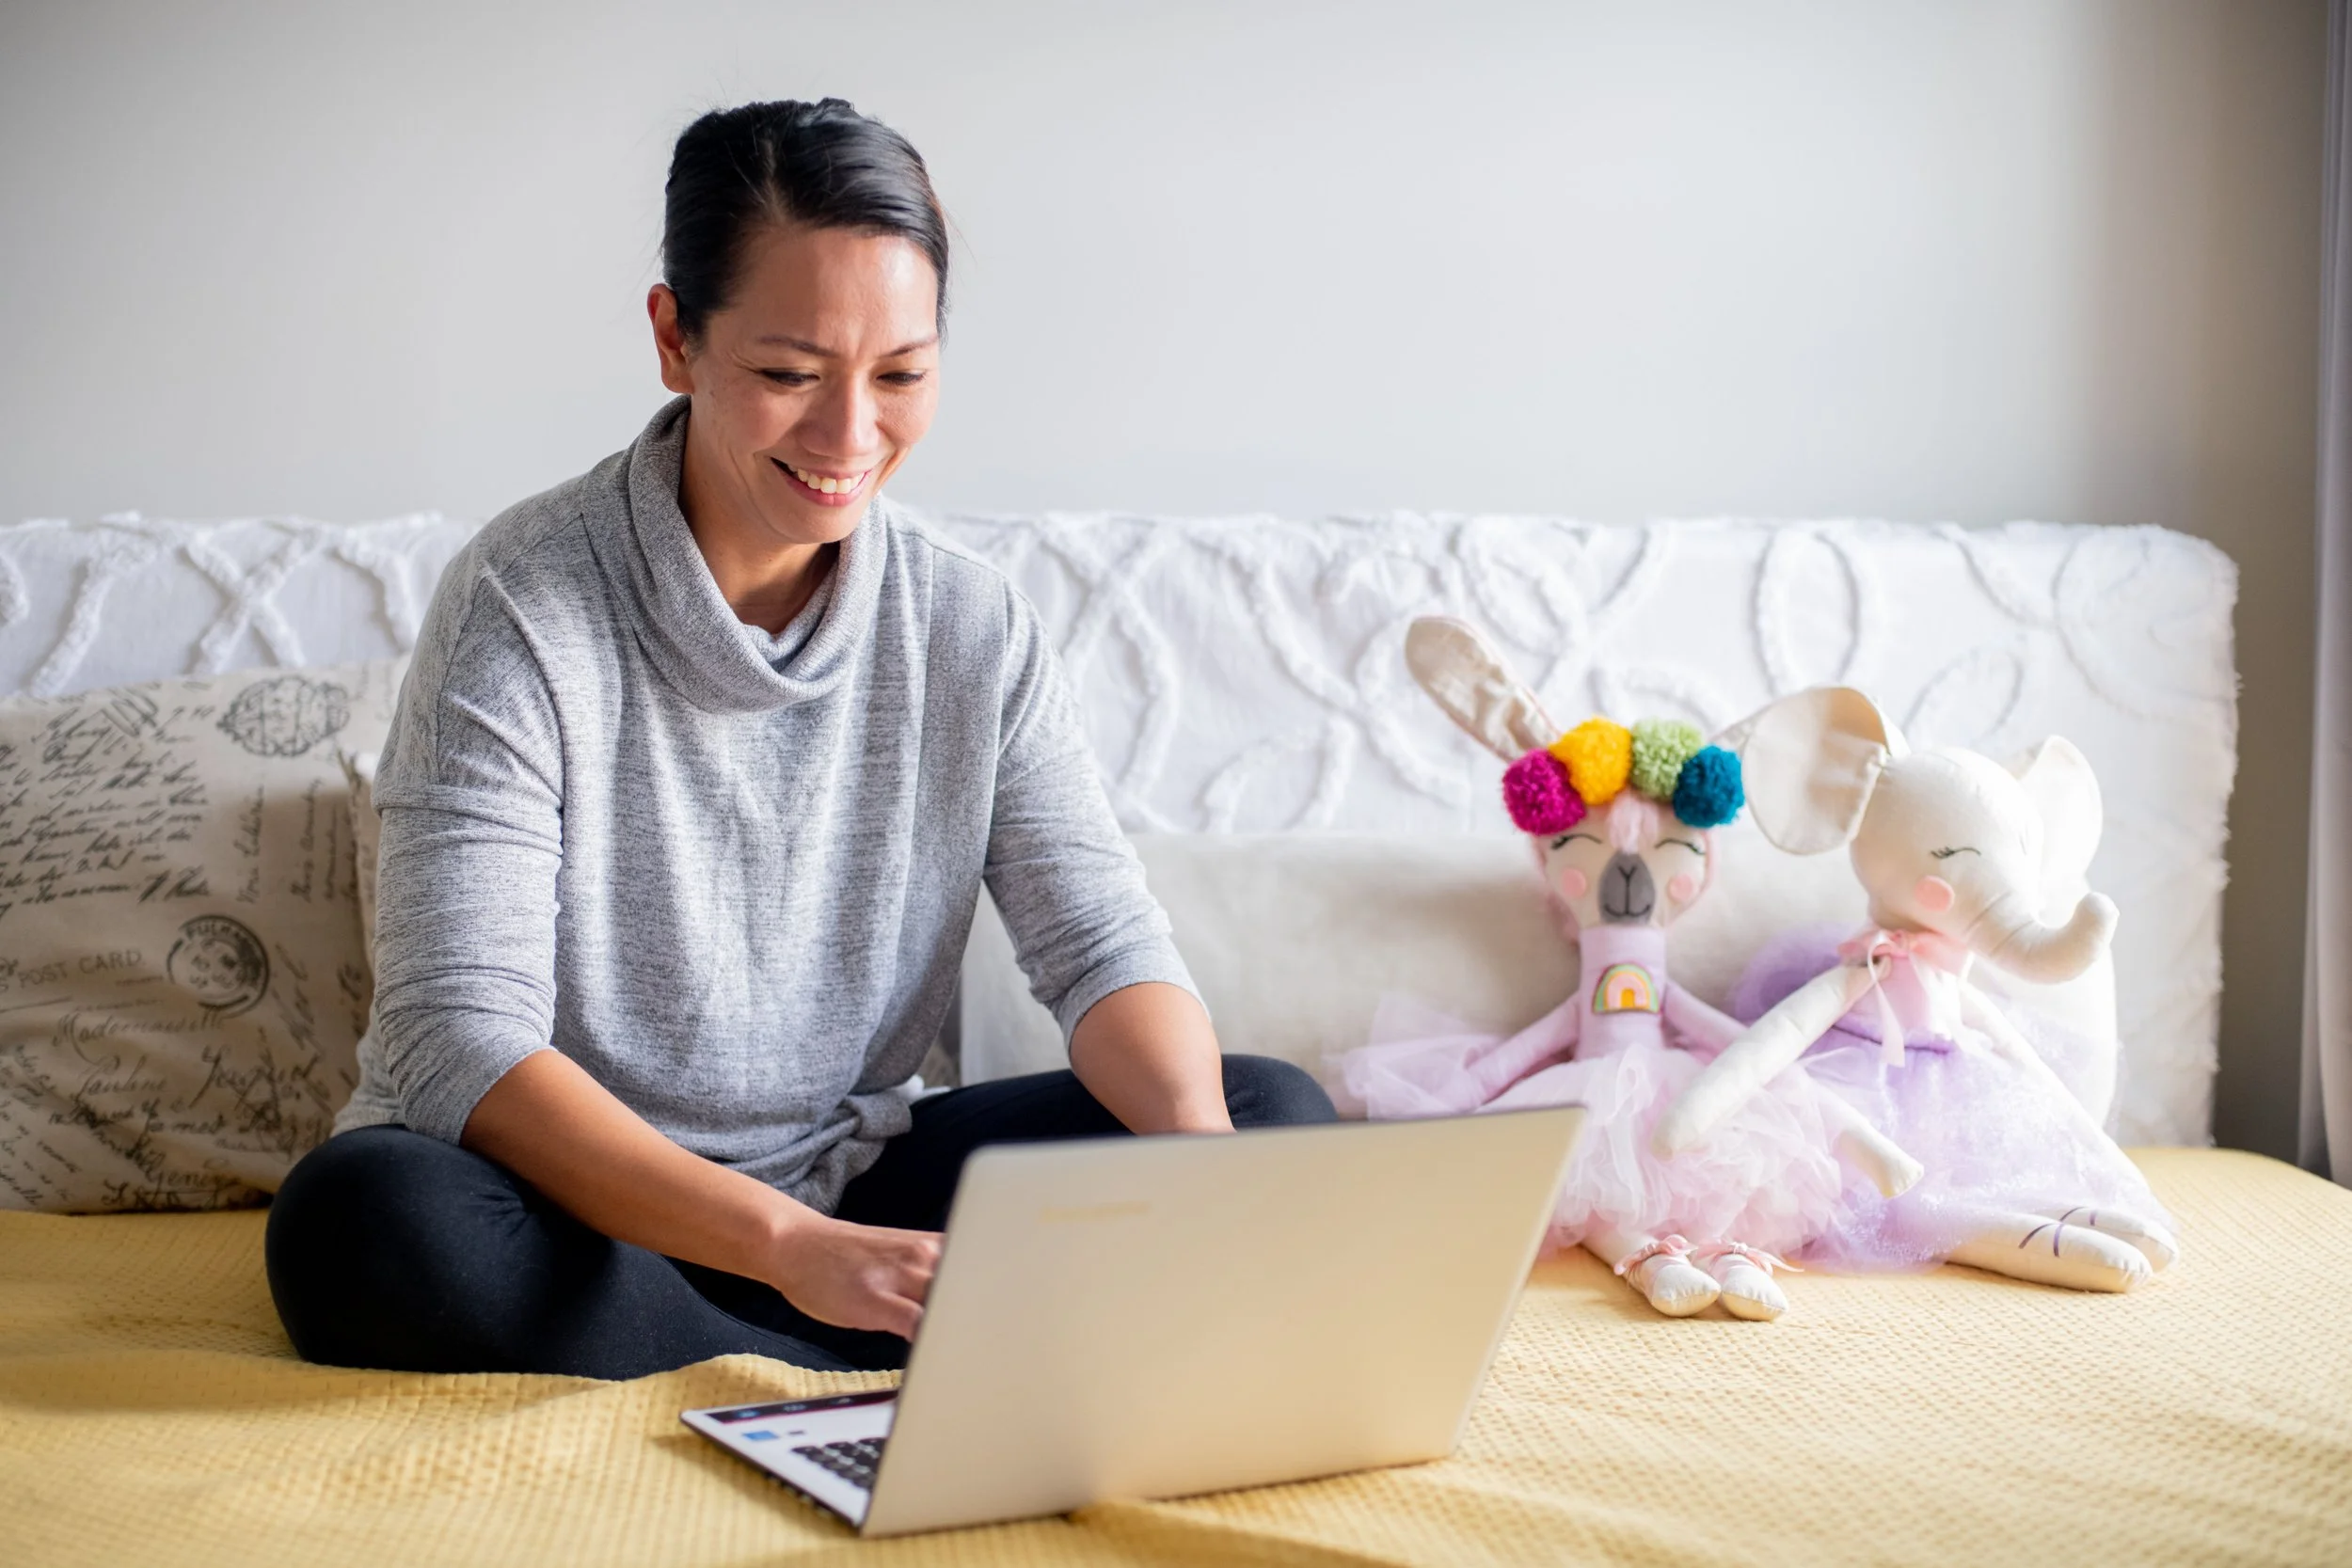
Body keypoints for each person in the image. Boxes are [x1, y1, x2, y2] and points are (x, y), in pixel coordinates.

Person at [265, 98, 1334, 1379]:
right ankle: (853, 1343)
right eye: (788, 375)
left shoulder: (968, 624)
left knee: (1269, 1112)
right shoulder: (523, 603)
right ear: (676, 338)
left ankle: (766, 1334)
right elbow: (459, 1038)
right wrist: (790, 1249)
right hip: (568, 1199)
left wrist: (1200, 1165)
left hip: (849, 1185)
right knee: (364, 1228)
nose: (848, 438)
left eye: (901, 374)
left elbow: (1101, 947)